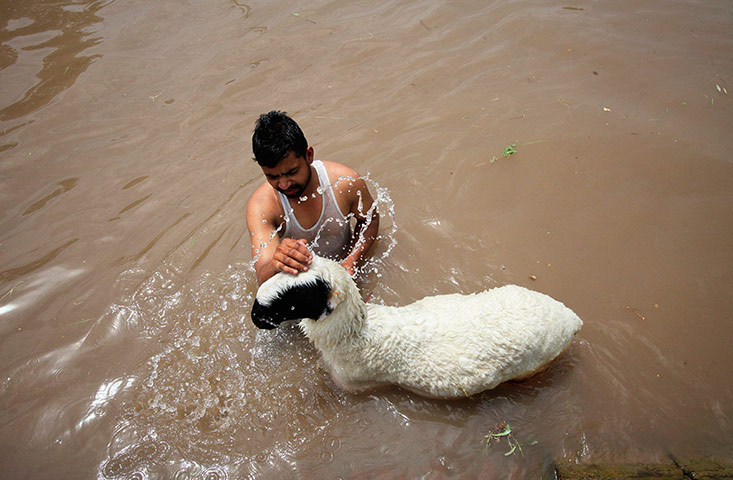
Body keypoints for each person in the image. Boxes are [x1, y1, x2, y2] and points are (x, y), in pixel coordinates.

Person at [246, 111, 380, 285]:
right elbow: (263, 276)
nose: (284, 185)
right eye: (272, 177)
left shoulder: (344, 182)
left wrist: (352, 261)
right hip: (301, 283)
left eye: (292, 172)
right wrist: (276, 262)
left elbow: (369, 219)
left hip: (348, 268)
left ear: (309, 155)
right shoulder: (262, 207)